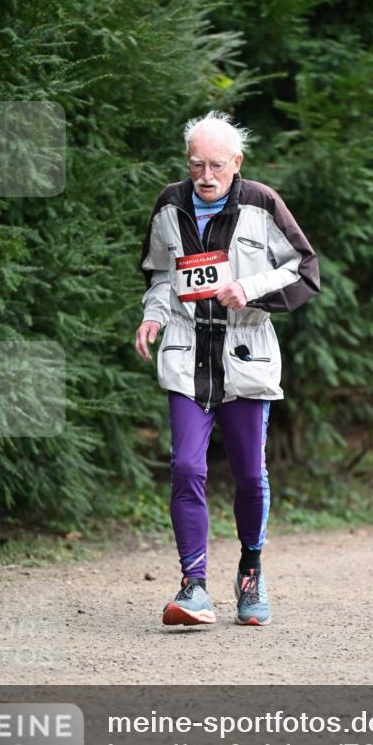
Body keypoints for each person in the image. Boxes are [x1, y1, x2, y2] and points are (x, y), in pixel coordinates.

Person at [135, 111, 320, 627]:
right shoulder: (170, 205)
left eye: (217, 165)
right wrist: (153, 317)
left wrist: (251, 288)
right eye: (197, 165)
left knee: (249, 476)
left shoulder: (262, 203)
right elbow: (157, 274)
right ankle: (193, 585)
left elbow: (305, 269)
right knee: (187, 468)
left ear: (237, 163)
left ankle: (250, 573)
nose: (206, 176)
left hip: (246, 354)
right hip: (186, 356)